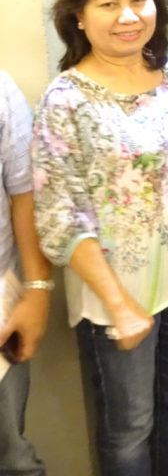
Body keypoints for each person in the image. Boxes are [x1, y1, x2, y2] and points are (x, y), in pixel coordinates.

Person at [31, 0, 168, 476]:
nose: (127, 16)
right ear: (78, 14)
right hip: (113, 298)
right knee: (129, 430)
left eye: (139, 0)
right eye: (107, 3)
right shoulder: (65, 99)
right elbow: (59, 217)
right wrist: (119, 304)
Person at [0, 71, 50, 476]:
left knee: (12, 459)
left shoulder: (1, 89)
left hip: (1, 304)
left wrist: (36, 289)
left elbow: (25, 195)